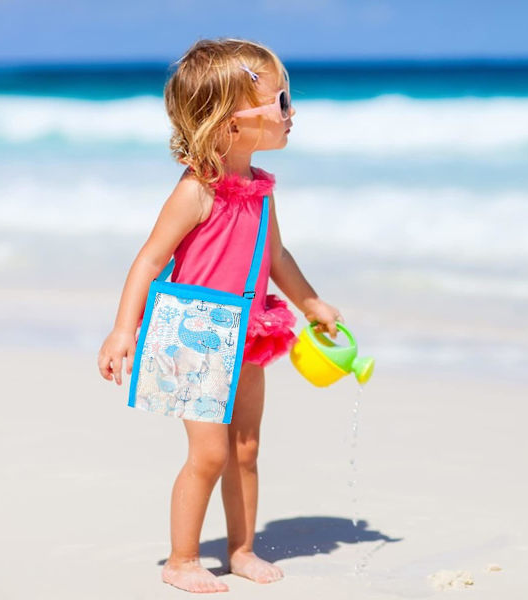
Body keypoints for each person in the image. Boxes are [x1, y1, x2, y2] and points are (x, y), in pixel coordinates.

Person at [98, 38, 344, 594]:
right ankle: (181, 559)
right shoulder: (196, 192)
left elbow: (275, 255)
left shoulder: (260, 189)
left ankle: (241, 549)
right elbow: (151, 258)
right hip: (195, 335)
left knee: (246, 449)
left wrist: (309, 303)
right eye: (280, 101)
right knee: (208, 453)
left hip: (250, 331)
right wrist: (122, 330)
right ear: (232, 122)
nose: (291, 112)